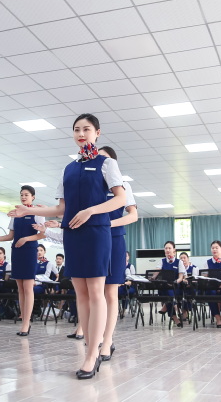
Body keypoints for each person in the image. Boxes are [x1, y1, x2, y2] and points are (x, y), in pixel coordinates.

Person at [9, 113, 126, 380]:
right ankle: (89, 348)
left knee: (96, 292)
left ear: (97, 133)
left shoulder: (106, 163)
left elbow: (119, 199)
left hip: (96, 232)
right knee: (81, 294)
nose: (81, 134)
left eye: (86, 129)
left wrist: (91, 211)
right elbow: (61, 208)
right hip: (73, 233)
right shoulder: (69, 168)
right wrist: (28, 210)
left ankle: (92, 355)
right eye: (76, 129)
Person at [0, 185, 44, 336]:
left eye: (26, 195)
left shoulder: (38, 212)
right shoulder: (15, 214)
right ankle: (23, 318)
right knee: (20, 288)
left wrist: (26, 239)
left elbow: (42, 234)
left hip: (29, 250)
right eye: (21, 195)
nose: (23, 197)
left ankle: (26, 323)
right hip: (17, 250)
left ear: (33, 197)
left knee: (28, 287)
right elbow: (10, 236)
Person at [97, 145, 138, 361]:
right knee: (95, 292)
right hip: (93, 240)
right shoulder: (92, 184)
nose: (100, 163)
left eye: (105, 159)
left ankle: (108, 340)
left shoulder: (123, 184)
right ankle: (96, 335)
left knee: (110, 292)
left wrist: (108, 225)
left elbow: (133, 215)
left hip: (113, 240)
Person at [157, 241, 186, 327]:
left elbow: (181, 277)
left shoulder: (179, 262)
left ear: (174, 250)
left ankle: (172, 312)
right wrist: (152, 277)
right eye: (166, 248)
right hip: (165, 286)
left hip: (176, 285)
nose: (167, 250)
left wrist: (174, 282)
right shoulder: (162, 261)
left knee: (169, 292)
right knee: (165, 291)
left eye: (169, 248)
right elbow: (156, 272)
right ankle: (174, 308)